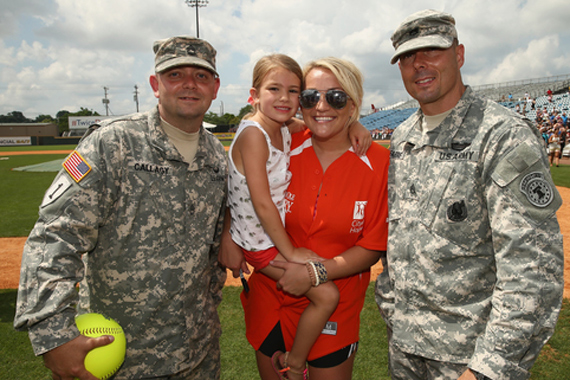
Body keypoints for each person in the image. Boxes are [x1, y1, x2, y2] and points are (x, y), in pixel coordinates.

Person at [14, 36, 228, 380]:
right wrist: (53, 335)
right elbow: (55, 235)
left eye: (202, 76)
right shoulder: (113, 142)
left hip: (198, 356)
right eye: (175, 74)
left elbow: (213, 251)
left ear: (215, 87)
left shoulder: (216, 156)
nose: (190, 84)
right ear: (155, 85)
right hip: (120, 358)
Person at [375, 9, 564, 380]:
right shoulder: (402, 138)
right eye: (407, 57)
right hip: (404, 349)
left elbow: (533, 269)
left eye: (431, 51)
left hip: (468, 359)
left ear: (459, 55)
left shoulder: (502, 136)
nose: (419, 64)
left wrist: (487, 368)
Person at [221, 56, 390, 380]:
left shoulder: (378, 161)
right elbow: (243, 182)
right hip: (271, 298)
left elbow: (373, 245)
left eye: (336, 97)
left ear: (353, 102)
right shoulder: (286, 139)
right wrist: (230, 232)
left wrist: (315, 274)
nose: (322, 106)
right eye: (312, 97)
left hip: (332, 307)